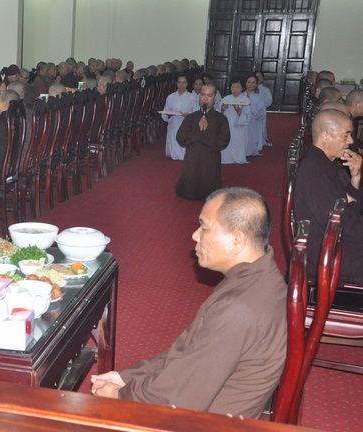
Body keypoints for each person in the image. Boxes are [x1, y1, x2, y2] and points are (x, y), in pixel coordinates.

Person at [91, 187, 287, 419]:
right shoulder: (259, 277)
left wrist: (120, 395)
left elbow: (177, 400)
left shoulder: (238, 310)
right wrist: (128, 377)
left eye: (204, 227)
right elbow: (189, 353)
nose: (195, 235)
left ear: (236, 240)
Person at [294, 109, 363, 285]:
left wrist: (355, 178)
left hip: (336, 244)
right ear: (325, 135)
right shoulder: (313, 172)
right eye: (346, 135)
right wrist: (351, 204)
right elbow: (344, 224)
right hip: (327, 256)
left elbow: (346, 207)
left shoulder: (324, 163)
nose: (351, 141)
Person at [174, 83, 230, 200]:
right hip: (192, 157)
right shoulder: (191, 117)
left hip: (210, 158)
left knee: (211, 192)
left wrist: (202, 136)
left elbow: (223, 141)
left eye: (209, 95)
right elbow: (180, 138)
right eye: (203, 95)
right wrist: (199, 133)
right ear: (199, 97)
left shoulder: (221, 119)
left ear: (215, 98)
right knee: (188, 192)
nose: (205, 98)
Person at [161, 74, 198, 161]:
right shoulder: (171, 97)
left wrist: (189, 114)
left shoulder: (192, 97)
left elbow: (197, 113)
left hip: (187, 123)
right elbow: (165, 112)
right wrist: (169, 114)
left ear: (187, 84)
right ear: (176, 83)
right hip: (174, 122)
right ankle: (174, 152)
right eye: (179, 82)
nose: (181, 85)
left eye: (184, 82)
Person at [220, 77, 250, 164]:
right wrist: (223, 109)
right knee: (227, 140)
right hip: (227, 124)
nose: (235, 89)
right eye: (233, 87)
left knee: (238, 141)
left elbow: (248, 117)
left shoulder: (245, 100)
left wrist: (240, 112)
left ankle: (239, 158)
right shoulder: (226, 99)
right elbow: (219, 113)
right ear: (230, 88)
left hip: (239, 126)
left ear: (242, 88)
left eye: (238, 87)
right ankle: (226, 158)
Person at [244, 74, 266, 157]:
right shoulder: (240, 95)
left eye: (253, 83)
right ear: (245, 83)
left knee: (251, 139)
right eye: (249, 82)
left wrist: (250, 104)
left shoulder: (258, 98)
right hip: (241, 122)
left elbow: (261, 114)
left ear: (256, 84)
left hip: (253, 122)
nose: (250, 84)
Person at [254, 71, 273, 146]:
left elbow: (269, 101)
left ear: (262, 79)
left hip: (261, 111)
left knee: (261, 126)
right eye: (256, 76)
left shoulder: (265, 90)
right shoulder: (250, 88)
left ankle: (261, 140)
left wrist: (259, 102)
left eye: (259, 76)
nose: (258, 78)